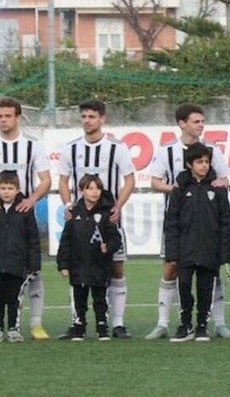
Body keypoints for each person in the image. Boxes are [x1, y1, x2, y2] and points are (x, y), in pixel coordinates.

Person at [146, 103, 230, 340]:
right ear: (182, 123)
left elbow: (224, 179)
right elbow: (155, 182)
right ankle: (163, 323)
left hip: (207, 225)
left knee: (210, 272)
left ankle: (218, 323)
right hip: (180, 223)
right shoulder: (167, 150)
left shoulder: (212, 150)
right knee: (172, 268)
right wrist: (178, 190)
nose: (201, 125)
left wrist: (219, 184)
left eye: (203, 121)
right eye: (196, 121)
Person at [57, 100, 135, 340]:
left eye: (91, 116)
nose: (87, 121)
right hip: (81, 221)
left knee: (116, 268)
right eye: (83, 116)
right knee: (78, 269)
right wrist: (68, 204)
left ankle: (117, 324)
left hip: (108, 219)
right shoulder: (70, 148)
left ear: (102, 119)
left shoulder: (117, 148)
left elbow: (129, 179)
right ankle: (77, 323)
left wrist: (117, 206)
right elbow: (63, 180)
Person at [163, 144, 230, 343]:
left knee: (205, 288)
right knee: (184, 286)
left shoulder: (217, 189)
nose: (204, 165)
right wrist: (172, 252)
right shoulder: (180, 189)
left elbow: (225, 222)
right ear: (189, 164)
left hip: (209, 248)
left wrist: (224, 252)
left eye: (207, 162)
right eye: (199, 162)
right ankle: (185, 324)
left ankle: (202, 325)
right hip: (185, 249)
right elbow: (171, 222)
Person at [0, 98, 51, 340]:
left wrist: (31, 200)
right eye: (0, 116)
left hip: (23, 214)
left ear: (18, 117)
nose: (3, 120)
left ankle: (36, 324)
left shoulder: (33, 145)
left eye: (7, 116)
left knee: (33, 271)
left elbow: (46, 180)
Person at [57, 175, 119, 341]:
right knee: (79, 297)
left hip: (99, 265)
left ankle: (102, 326)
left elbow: (115, 238)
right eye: (90, 188)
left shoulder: (106, 213)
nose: (94, 192)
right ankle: (79, 326)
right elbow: (66, 241)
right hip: (78, 265)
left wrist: (108, 247)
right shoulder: (74, 213)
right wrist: (63, 265)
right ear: (81, 191)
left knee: (100, 297)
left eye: (97, 188)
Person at [0, 170, 40, 342]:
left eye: (10, 188)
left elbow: (33, 238)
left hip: (17, 263)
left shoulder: (25, 210)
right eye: (3, 188)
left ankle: (13, 328)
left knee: (14, 298)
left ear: (17, 190)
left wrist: (34, 264)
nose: (6, 192)